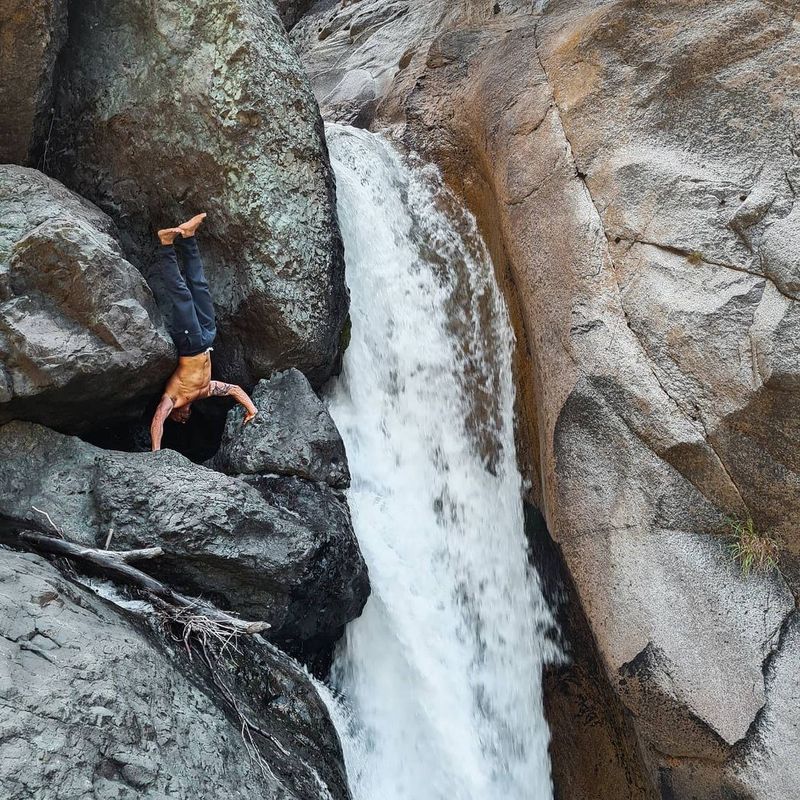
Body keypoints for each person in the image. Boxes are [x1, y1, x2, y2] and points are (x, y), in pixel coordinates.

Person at [149, 212, 257, 451]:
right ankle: (188, 237)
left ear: (174, 414)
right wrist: (251, 410)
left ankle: (167, 243)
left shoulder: (173, 397)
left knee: (184, 296)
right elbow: (235, 390)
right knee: (200, 287)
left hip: (190, 343)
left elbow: (158, 419)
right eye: (187, 419)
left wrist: (156, 451)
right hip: (208, 338)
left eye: (179, 419)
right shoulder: (205, 391)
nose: (184, 418)